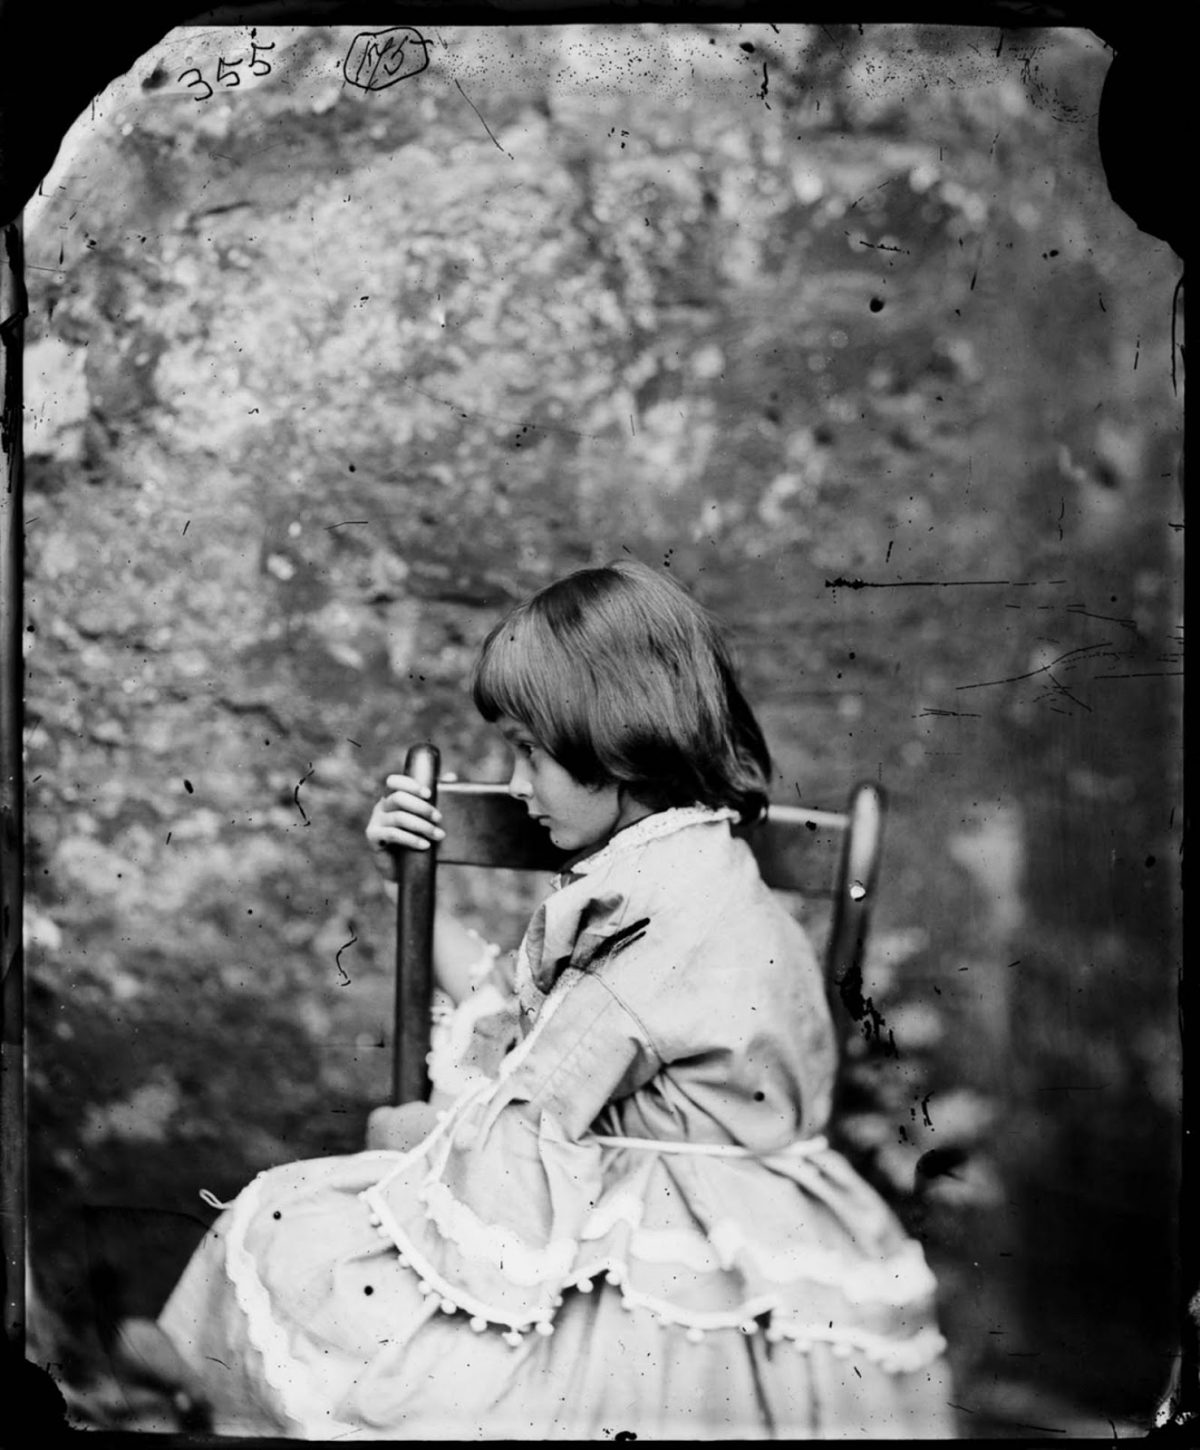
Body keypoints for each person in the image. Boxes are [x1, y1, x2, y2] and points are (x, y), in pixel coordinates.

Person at [155, 560, 954, 1438]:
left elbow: (526, 1116)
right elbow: (528, 1023)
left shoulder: (654, 914)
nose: (518, 785)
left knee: (284, 1226)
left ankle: (207, 1386)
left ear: (617, 743)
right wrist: (403, 887)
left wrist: (411, 1138)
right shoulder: (684, 865)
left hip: (683, 1281)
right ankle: (202, 1382)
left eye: (530, 752)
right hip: (764, 1232)